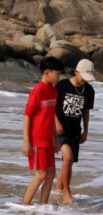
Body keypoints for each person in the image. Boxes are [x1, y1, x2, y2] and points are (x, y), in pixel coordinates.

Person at [21, 57, 63, 205]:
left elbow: (50, 117)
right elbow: (27, 116)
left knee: (51, 174)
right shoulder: (38, 91)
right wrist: (26, 142)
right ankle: (24, 206)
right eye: (57, 74)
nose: (59, 77)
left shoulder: (53, 90)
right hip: (37, 140)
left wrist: (55, 140)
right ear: (47, 73)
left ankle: (43, 206)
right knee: (41, 174)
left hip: (48, 141)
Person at [54, 59, 96, 204]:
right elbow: (51, 106)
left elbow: (85, 112)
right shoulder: (62, 85)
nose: (85, 80)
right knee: (68, 157)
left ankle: (58, 191)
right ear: (76, 72)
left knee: (68, 163)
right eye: (83, 76)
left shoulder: (89, 90)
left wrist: (86, 131)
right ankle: (67, 192)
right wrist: (57, 122)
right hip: (59, 130)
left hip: (75, 131)